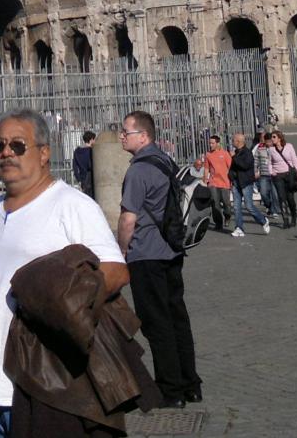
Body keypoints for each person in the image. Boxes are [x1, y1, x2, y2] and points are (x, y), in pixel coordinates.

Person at [0, 110, 131, 434]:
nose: (6, 152)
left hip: (47, 385)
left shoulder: (72, 206)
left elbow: (116, 271)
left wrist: (64, 303)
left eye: (18, 145)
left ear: (45, 152)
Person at [117, 112, 200, 407]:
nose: (121, 136)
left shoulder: (138, 170)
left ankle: (170, 389)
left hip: (146, 254)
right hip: (171, 250)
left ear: (144, 136)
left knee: (156, 323)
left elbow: (129, 218)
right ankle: (191, 384)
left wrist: (120, 251)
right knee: (178, 318)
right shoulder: (165, 161)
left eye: (126, 131)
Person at [228, 131, 269, 236]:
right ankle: (239, 228)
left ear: (238, 141)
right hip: (236, 182)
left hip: (246, 183)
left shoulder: (247, 153)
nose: (232, 142)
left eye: (233, 140)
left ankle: (263, 220)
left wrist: (234, 157)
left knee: (249, 206)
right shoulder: (236, 152)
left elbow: (244, 165)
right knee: (236, 207)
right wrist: (231, 177)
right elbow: (233, 168)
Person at [265, 132, 297, 229]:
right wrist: (271, 172)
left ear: (280, 138)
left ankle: (293, 216)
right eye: (271, 137)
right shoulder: (271, 150)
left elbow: (295, 161)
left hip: (289, 175)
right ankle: (285, 220)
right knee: (281, 197)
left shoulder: (289, 146)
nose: (272, 139)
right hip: (278, 176)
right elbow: (269, 163)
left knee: (290, 198)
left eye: (274, 137)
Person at [198, 134, 234, 231]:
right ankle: (218, 223)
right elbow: (206, 168)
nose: (210, 145)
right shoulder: (208, 155)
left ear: (218, 143)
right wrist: (205, 178)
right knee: (215, 203)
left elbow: (231, 167)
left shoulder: (225, 153)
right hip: (213, 182)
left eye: (212, 143)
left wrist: (232, 180)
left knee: (226, 203)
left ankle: (227, 216)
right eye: (210, 143)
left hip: (225, 182)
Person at [73, 131, 97, 196]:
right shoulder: (91, 151)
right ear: (91, 139)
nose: (95, 141)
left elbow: (75, 168)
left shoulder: (76, 151)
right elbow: (91, 165)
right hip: (91, 179)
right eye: (94, 139)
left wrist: (79, 180)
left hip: (82, 179)